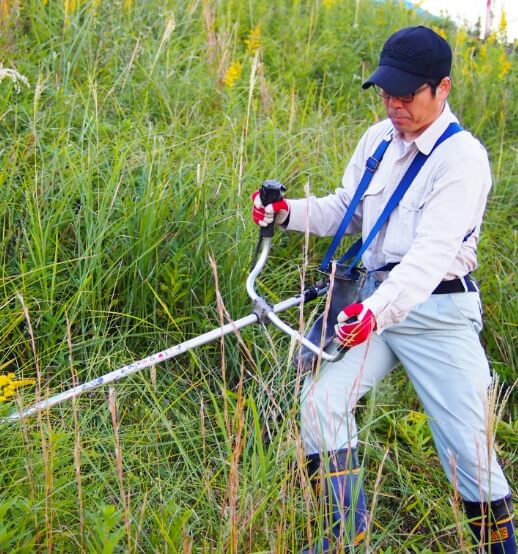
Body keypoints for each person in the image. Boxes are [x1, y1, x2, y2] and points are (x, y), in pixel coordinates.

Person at [251, 26, 516, 553]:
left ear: (441, 89)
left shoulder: (463, 160)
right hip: (369, 304)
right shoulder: (378, 139)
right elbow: (348, 211)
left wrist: (376, 310)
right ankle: (347, 537)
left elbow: (429, 257)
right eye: (386, 93)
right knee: (320, 404)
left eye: (407, 94)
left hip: (437, 310)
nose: (393, 105)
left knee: (470, 454)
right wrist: (286, 214)